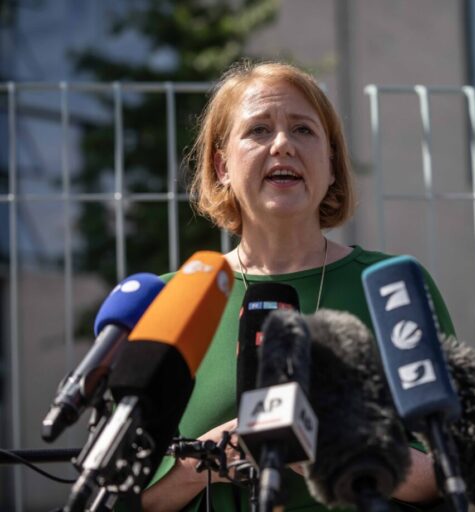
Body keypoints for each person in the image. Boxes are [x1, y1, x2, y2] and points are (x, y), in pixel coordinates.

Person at [141, 60, 455, 512]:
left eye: (304, 130)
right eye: (259, 130)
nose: (283, 144)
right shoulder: (174, 300)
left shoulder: (391, 289)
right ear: (221, 164)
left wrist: (321, 442)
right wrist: (216, 454)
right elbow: (130, 497)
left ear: (330, 165)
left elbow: (451, 472)